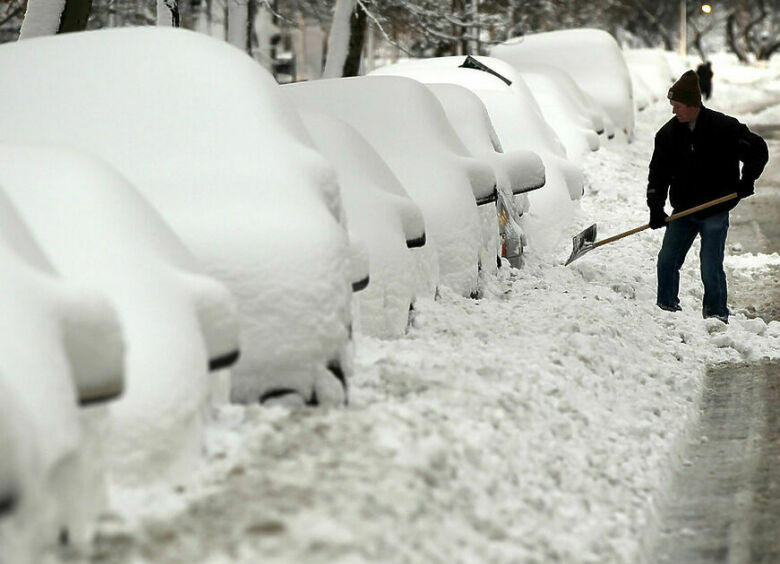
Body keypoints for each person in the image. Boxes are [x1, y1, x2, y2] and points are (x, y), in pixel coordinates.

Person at [647, 70, 768, 323]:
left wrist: (747, 179)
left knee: (710, 267)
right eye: (672, 106)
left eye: (678, 106)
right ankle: (666, 310)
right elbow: (658, 174)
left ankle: (716, 315)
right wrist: (656, 208)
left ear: (693, 105)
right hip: (683, 209)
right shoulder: (667, 135)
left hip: (716, 207)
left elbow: (758, 149)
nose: (674, 111)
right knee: (666, 261)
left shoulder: (723, 128)